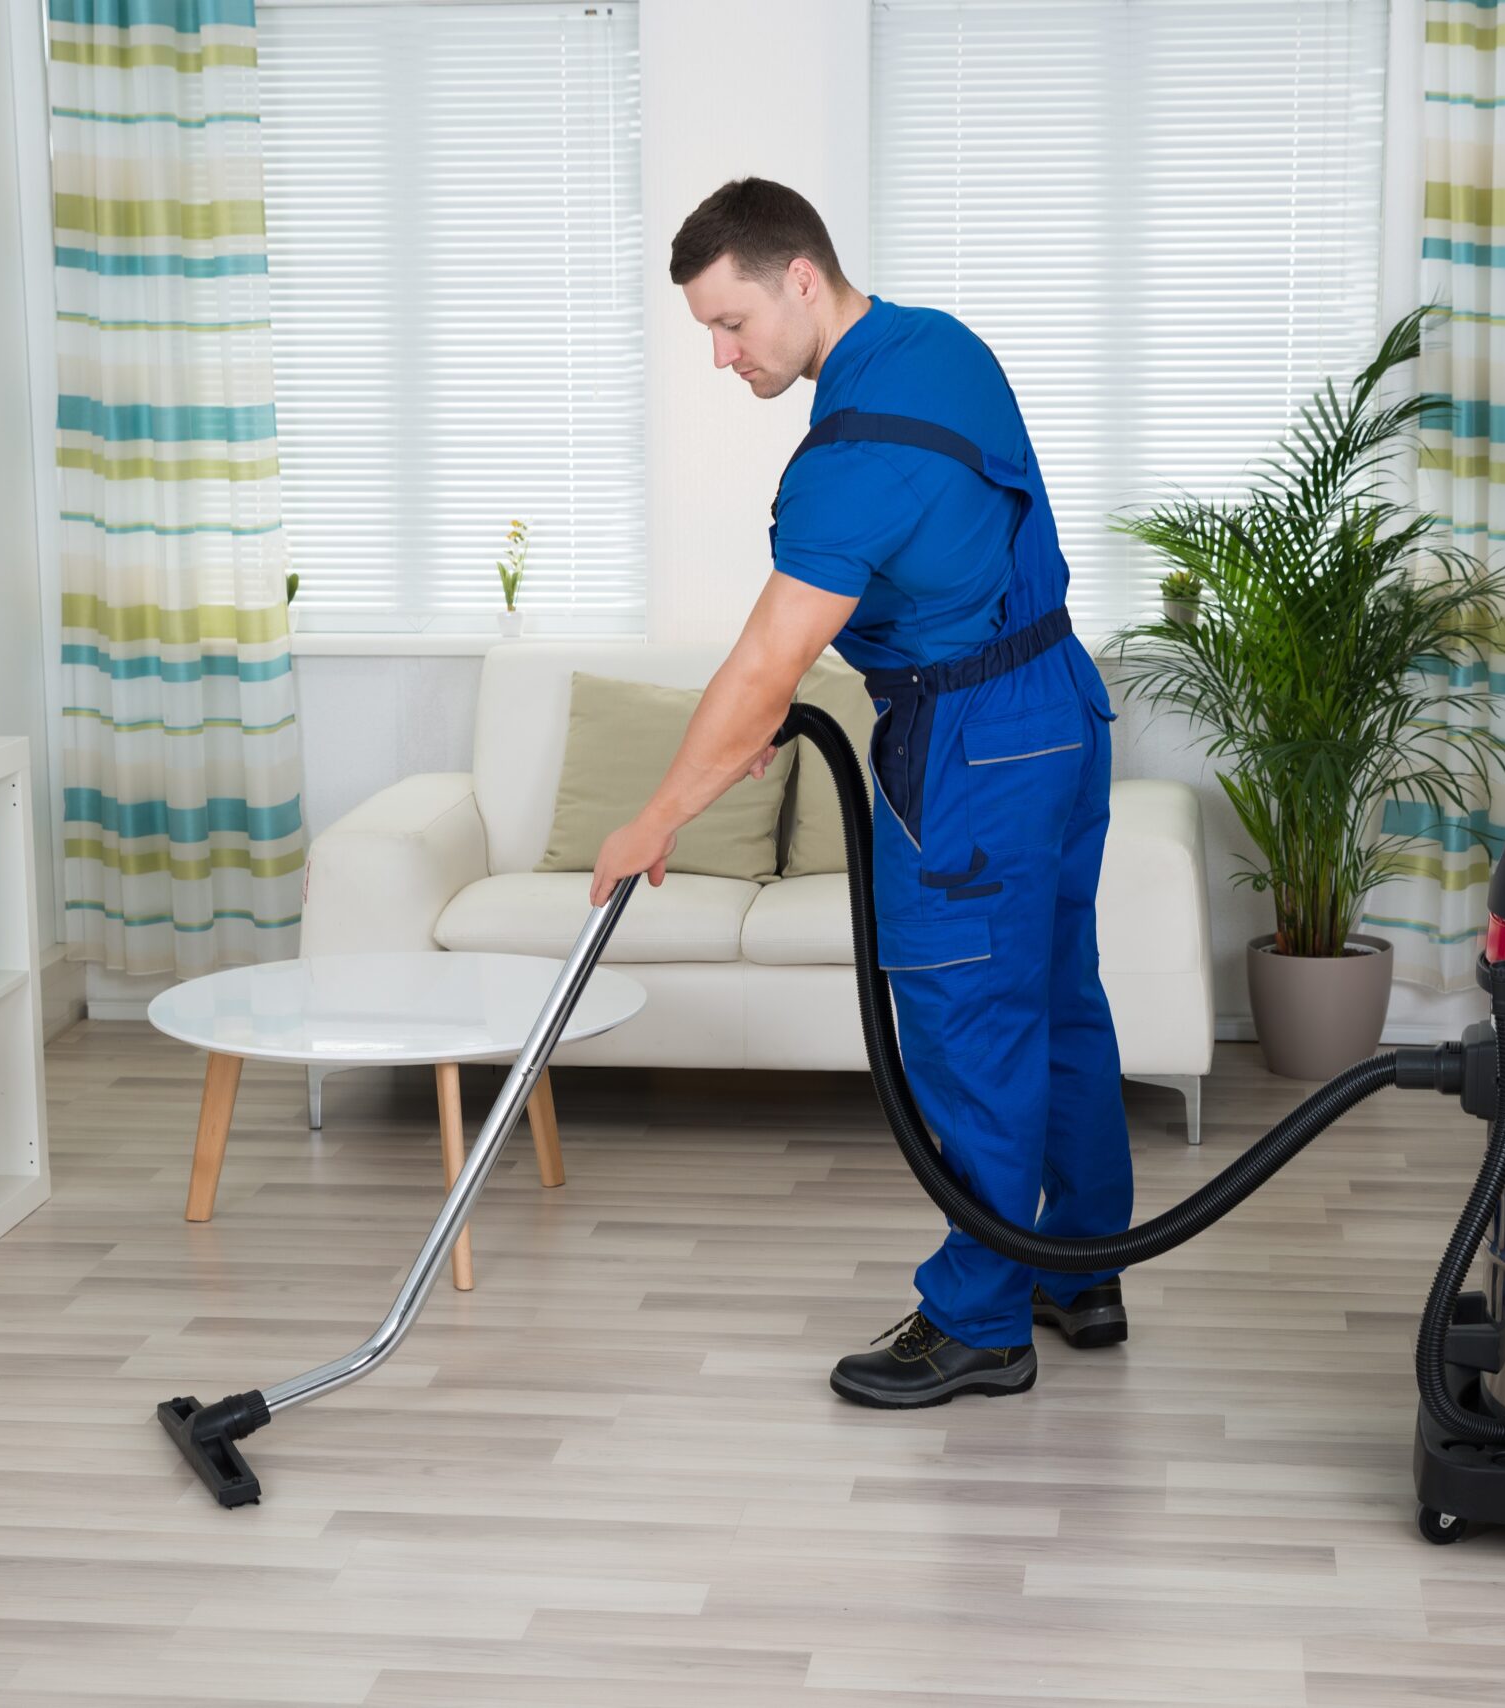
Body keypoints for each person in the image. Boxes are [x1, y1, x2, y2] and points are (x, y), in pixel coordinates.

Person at [589, 178, 1132, 1408]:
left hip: (974, 748)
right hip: (1059, 712)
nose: (722, 359)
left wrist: (656, 814)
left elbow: (764, 662)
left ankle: (982, 1321)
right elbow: (947, 557)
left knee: (968, 1028)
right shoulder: (935, 343)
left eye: (730, 325)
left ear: (799, 278)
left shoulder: (852, 457)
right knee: (1054, 997)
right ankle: (1080, 1263)